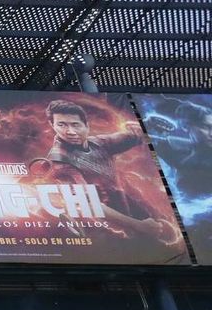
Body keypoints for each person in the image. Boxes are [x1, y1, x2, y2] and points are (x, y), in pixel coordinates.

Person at [40, 99, 177, 244]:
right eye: (61, 125)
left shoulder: (98, 143)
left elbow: (133, 136)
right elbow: (88, 204)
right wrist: (138, 226)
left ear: (86, 125)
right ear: (52, 125)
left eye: (75, 125)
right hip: (108, 232)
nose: (70, 132)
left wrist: (147, 127)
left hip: (130, 210)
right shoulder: (60, 161)